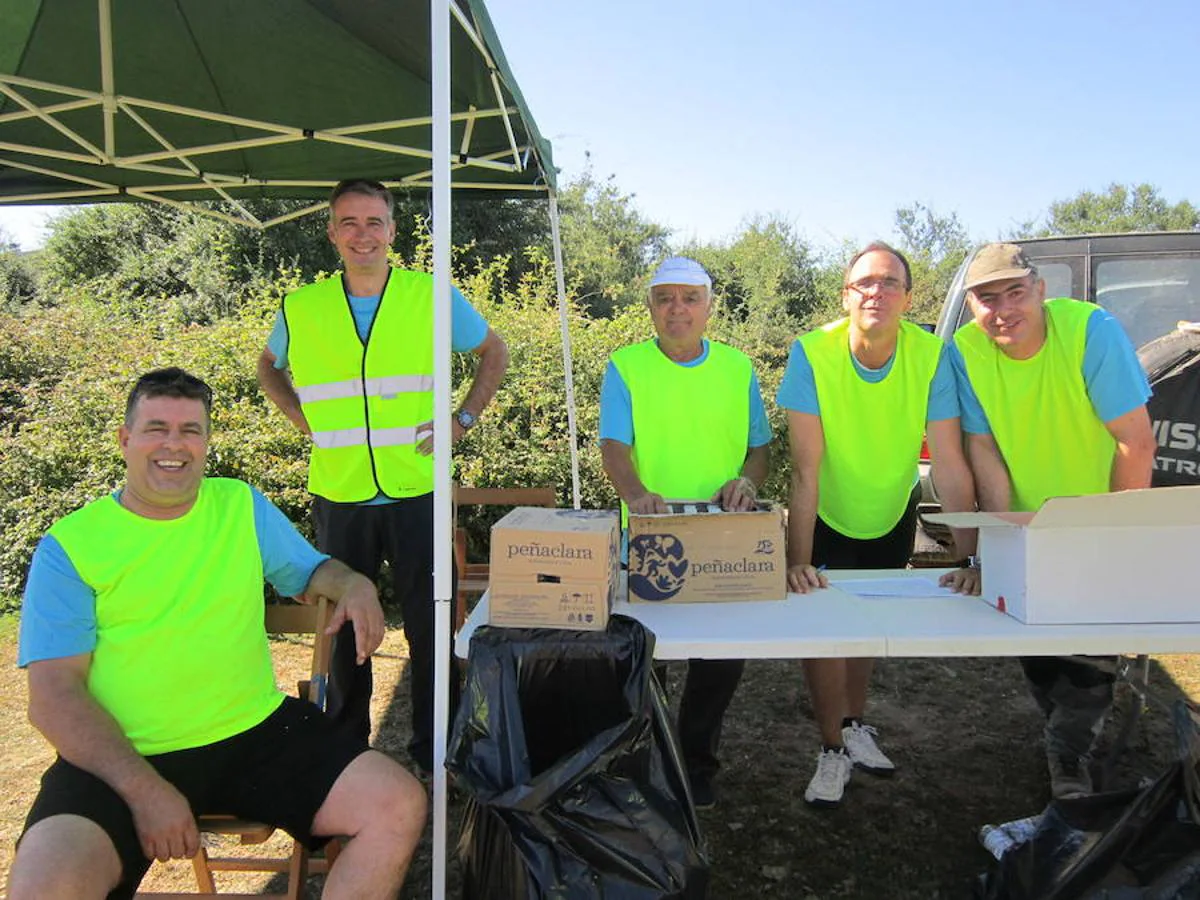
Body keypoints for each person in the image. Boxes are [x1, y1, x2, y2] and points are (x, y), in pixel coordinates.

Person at [8, 368, 426, 900]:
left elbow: (309, 571)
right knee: (43, 885)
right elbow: (54, 697)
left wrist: (353, 582)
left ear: (206, 441)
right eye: (157, 428)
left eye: (191, 431)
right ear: (125, 439)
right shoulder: (71, 547)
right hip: (122, 755)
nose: (174, 445)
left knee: (397, 804)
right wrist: (146, 793)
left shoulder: (238, 505)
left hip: (252, 732)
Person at [257, 178, 509, 770]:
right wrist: (298, 415)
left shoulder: (433, 296)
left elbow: (494, 351)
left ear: (393, 231)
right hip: (339, 491)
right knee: (343, 631)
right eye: (349, 222)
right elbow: (269, 367)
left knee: (431, 626)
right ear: (331, 232)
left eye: (374, 223)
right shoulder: (302, 306)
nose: (362, 235)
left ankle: (436, 748)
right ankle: (346, 754)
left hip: (416, 488)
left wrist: (463, 419)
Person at [945, 242, 1155, 798]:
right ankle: (1062, 732)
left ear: (1041, 290)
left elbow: (1134, 440)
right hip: (1026, 526)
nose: (1002, 309)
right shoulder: (966, 350)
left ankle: (1069, 760)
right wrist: (995, 547)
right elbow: (983, 451)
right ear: (970, 306)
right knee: (1034, 642)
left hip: (1095, 522)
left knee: (1089, 655)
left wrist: (1118, 535)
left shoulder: (1092, 330)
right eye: (987, 298)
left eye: (1015, 291)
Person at [778, 241, 977, 809]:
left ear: (909, 297)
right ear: (846, 295)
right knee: (823, 634)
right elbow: (805, 471)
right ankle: (831, 747)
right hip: (827, 515)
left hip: (892, 511)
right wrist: (798, 558)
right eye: (864, 282)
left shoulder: (932, 355)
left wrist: (969, 557)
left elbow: (950, 462)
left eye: (890, 283)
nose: (876, 292)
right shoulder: (811, 352)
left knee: (864, 625)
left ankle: (855, 724)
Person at [599, 256, 771, 810]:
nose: (678, 309)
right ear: (649, 306)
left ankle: (697, 764)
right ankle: (651, 762)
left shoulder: (738, 368)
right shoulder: (625, 366)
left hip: (723, 538)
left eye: (690, 298)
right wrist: (635, 495)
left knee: (720, 659)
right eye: (665, 298)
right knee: (649, 657)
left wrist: (745, 480)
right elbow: (613, 448)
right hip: (653, 535)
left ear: (709, 307)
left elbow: (759, 448)